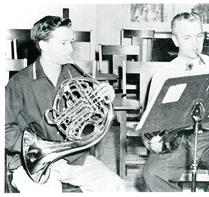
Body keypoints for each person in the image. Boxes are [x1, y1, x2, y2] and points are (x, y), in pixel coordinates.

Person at [5, 15, 125, 193]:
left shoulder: (75, 76)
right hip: (31, 161)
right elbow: (5, 127)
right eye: (63, 43)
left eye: (71, 42)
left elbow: (98, 120)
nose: (70, 48)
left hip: (73, 157)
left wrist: (105, 100)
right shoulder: (19, 82)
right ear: (44, 45)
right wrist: (31, 148)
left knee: (115, 186)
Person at [141, 12, 209, 192]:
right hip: (178, 139)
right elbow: (150, 123)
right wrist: (152, 139)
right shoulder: (163, 74)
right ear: (175, 40)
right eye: (187, 37)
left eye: (199, 36)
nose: (195, 43)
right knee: (152, 173)